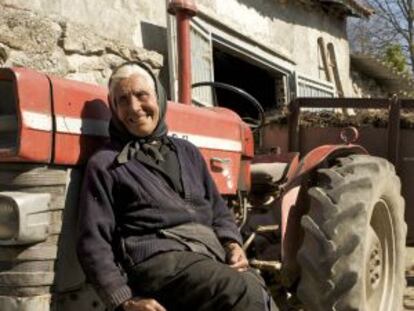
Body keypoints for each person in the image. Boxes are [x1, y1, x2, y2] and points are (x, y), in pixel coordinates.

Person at [76, 61, 277, 311]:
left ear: (159, 98)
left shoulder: (187, 151)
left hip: (205, 253)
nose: (134, 108)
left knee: (255, 284)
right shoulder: (106, 163)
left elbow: (219, 211)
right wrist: (124, 300)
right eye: (122, 101)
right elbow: (93, 242)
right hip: (157, 260)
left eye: (141, 96)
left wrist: (233, 244)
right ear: (114, 110)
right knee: (240, 291)